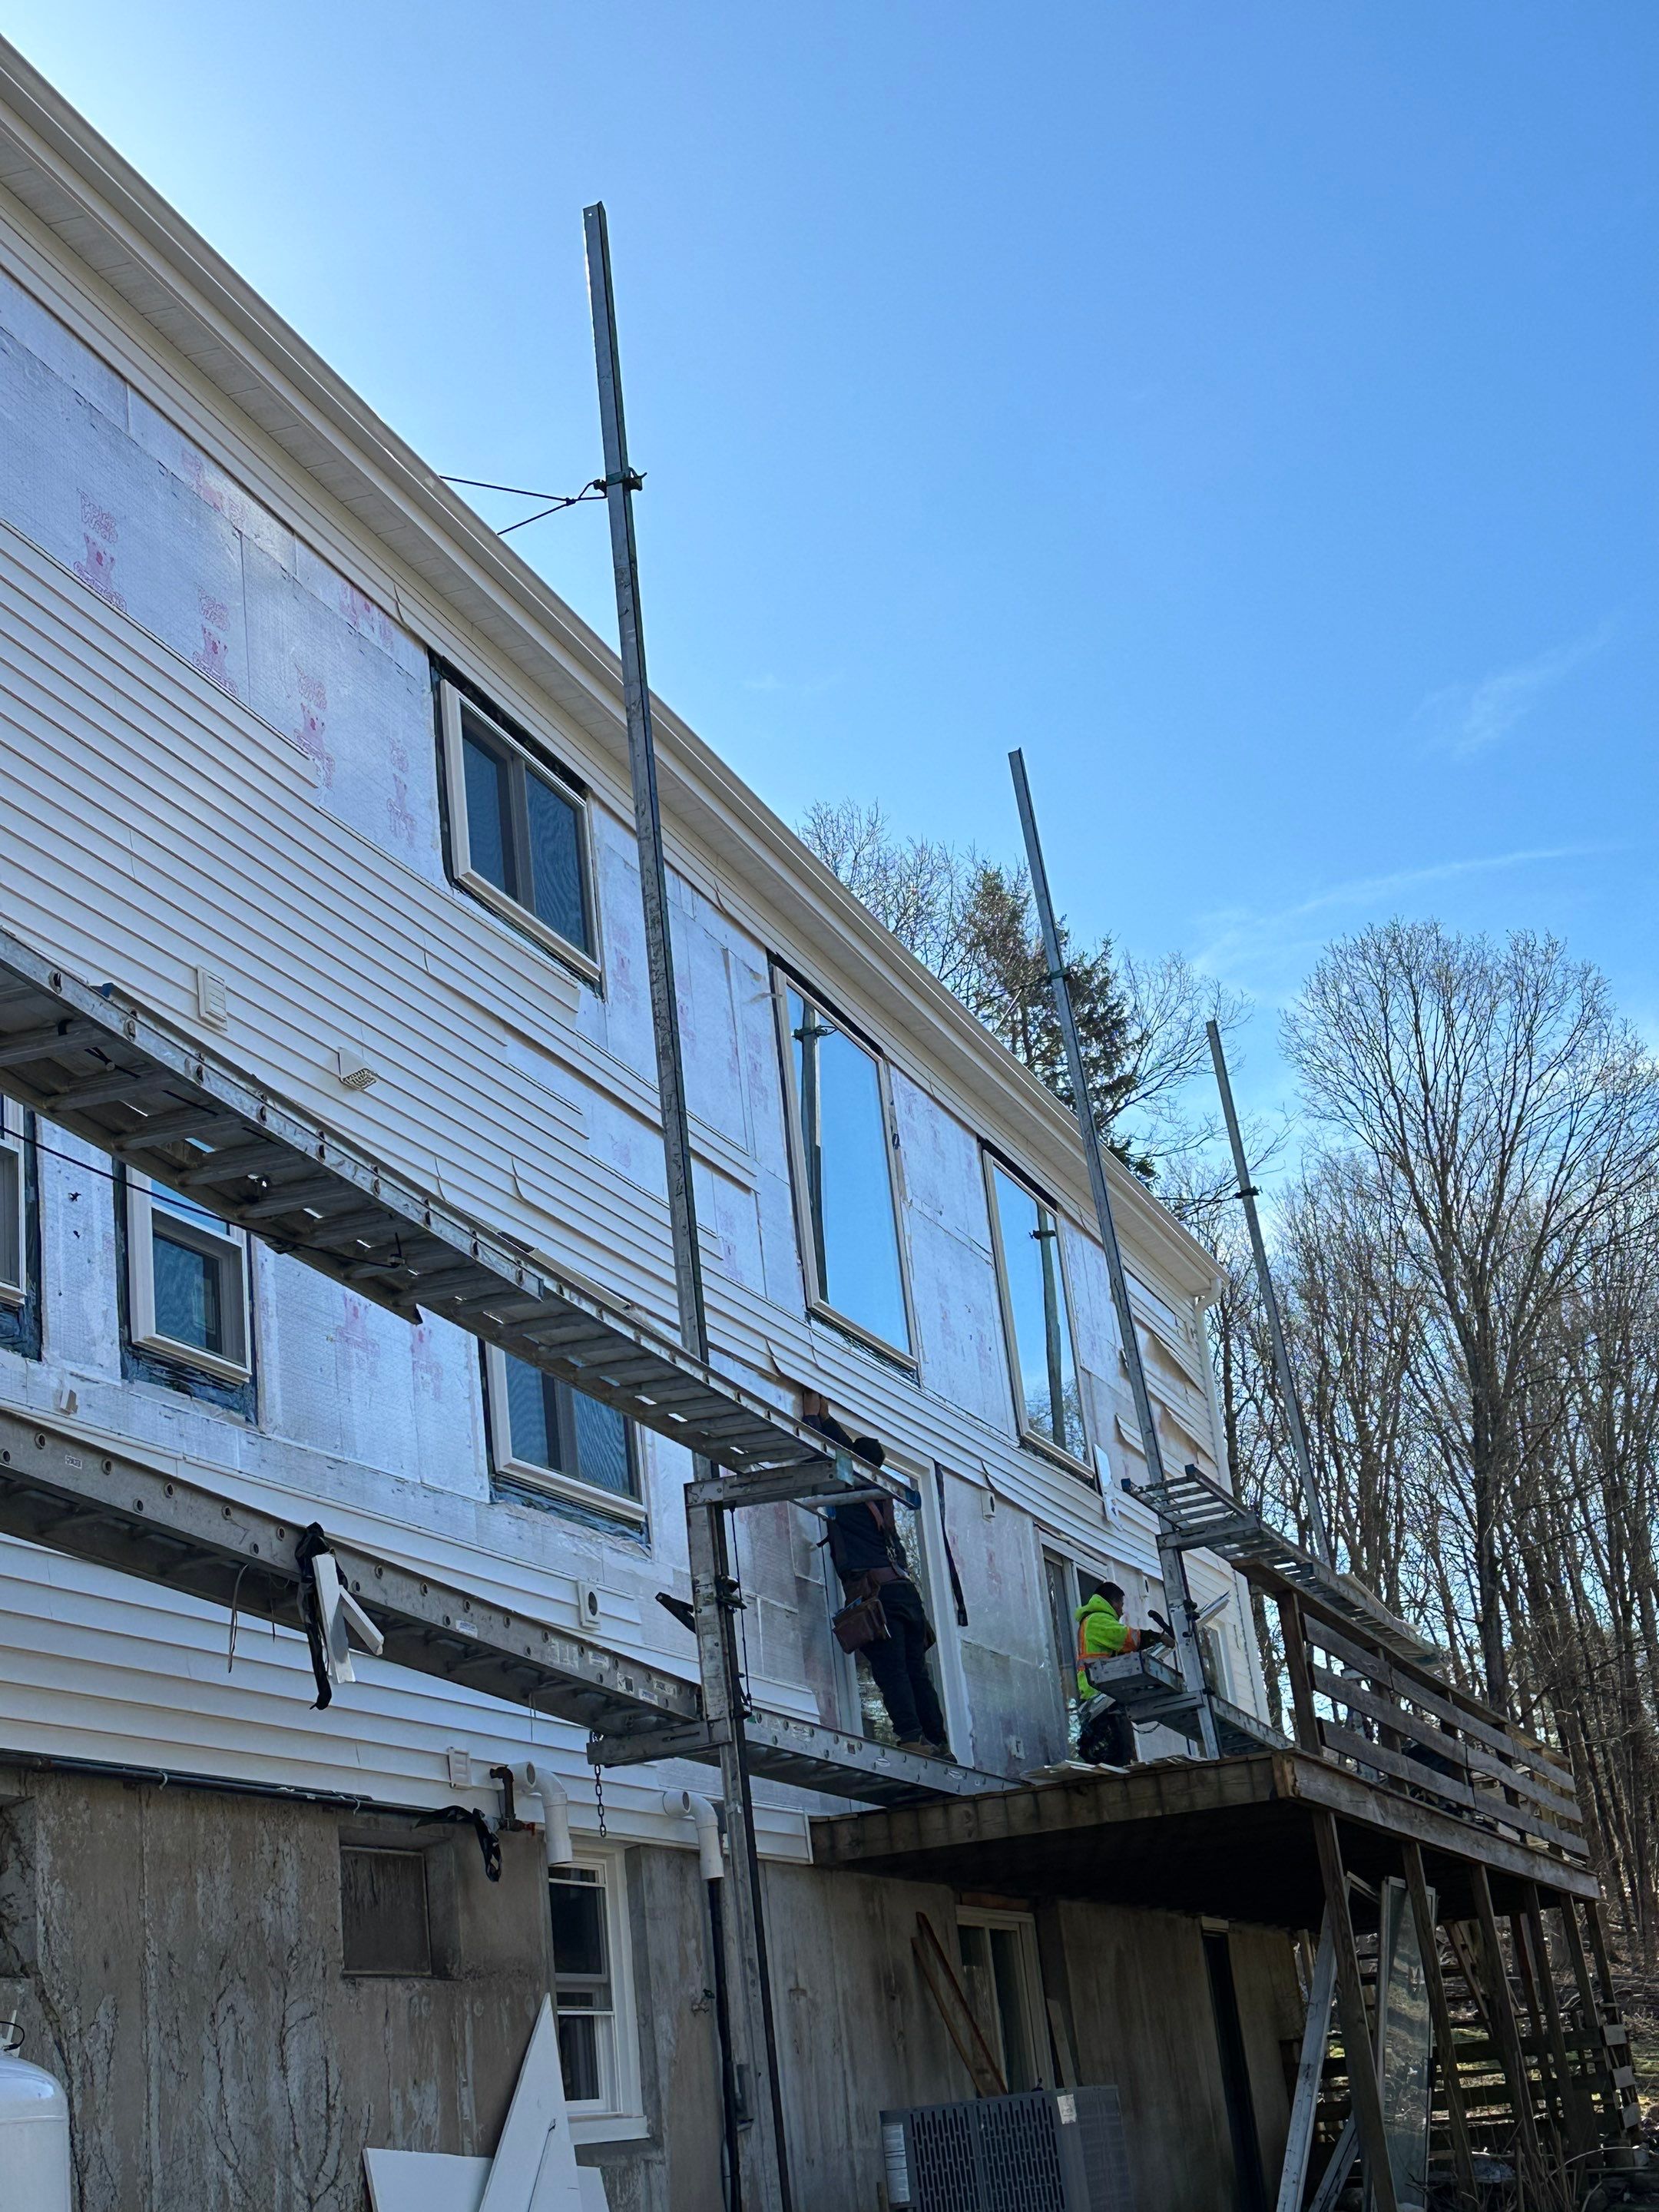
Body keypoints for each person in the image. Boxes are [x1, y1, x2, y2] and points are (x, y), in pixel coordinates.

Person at [805, 1404, 949, 1760]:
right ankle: (938, 1742)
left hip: (879, 1595)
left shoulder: (848, 1493)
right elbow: (847, 1449)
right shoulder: (880, 1495)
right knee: (917, 1673)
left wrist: (812, 1418)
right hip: (906, 1595)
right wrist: (827, 1418)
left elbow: (817, 1449)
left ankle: (912, 1737)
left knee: (892, 1670)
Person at [1074, 1579, 1166, 1768]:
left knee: (1116, 1756)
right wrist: (1158, 1637)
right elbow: (1127, 1639)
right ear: (1112, 1602)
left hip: (1103, 1697)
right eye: (1121, 1605)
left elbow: (1120, 1650)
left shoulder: (1094, 1621)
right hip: (1099, 1697)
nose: (1122, 1611)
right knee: (1115, 1755)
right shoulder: (1097, 1620)